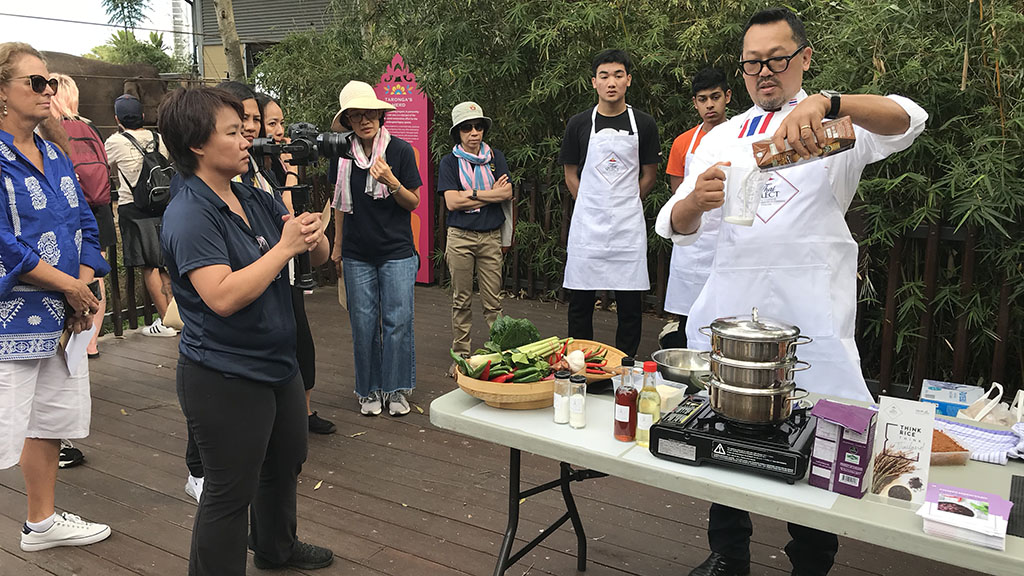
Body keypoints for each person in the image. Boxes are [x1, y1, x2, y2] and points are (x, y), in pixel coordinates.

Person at [655, 8, 927, 576]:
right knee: (725, 433)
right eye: (753, 63)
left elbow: (908, 118)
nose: (765, 72)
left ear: (803, 58)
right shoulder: (720, 138)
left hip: (814, 319)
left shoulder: (838, 128)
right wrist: (690, 203)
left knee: (822, 438)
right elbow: (676, 226)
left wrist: (830, 102)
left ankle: (812, 561)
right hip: (733, 315)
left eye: (777, 59)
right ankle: (728, 555)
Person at [159, 86, 333, 574]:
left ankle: (276, 549)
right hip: (224, 373)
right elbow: (223, 296)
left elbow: (315, 258)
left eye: (246, 129)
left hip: (277, 362)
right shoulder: (190, 212)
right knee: (229, 491)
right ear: (197, 143)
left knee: (285, 462)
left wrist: (312, 239)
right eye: (233, 132)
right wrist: (283, 249)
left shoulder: (252, 196)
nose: (247, 140)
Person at [0, 41, 111, 552]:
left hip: (62, 314)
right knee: (4, 423)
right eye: (35, 82)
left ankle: (40, 523)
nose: (48, 91)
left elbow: (86, 221)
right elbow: (4, 243)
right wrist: (71, 286)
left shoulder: (53, 151)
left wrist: (82, 280)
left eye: (49, 82)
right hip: (12, 318)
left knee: (47, 420)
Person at [559, 49, 660, 358]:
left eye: (618, 75)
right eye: (604, 76)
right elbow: (570, 174)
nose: (611, 82)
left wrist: (624, 204)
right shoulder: (578, 124)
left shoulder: (643, 124)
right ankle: (581, 364)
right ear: (594, 82)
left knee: (630, 304)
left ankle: (624, 363)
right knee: (580, 301)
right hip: (588, 224)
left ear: (628, 80)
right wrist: (592, 203)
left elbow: (649, 175)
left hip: (627, 227)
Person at [329, 80, 421, 417]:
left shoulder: (399, 150)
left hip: (396, 250)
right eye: (356, 116)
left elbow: (412, 202)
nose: (365, 120)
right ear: (349, 121)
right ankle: (368, 390)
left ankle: (396, 389)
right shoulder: (341, 155)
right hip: (356, 252)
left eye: (370, 113)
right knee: (363, 323)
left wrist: (391, 182)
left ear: (381, 115)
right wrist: (337, 246)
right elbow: (339, 203)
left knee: (398, 321)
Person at [256, 92, 336, 435]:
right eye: (271, 123)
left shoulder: (272, 166)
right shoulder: (255, 174)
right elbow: (284, 216)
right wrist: (290, 174)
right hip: (265, 273)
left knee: (301, 338)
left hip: (289, 272)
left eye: (281, 123)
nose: (279, 132)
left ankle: (302, 412)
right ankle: (280, 417)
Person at [659, 67, 732, 349]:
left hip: (727, 233)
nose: (710, 105)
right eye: (702, 99)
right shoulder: (682, 143)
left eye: (715, 97)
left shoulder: (743, 135)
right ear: (694, 103)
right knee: (688, 312)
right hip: (692, 237)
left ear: (727, 96)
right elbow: (679, 192)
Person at [439, 101, 513, 364]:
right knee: (461, 300)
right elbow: (452, 202)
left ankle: (500, 354)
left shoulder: (496, 159)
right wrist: (489, 195)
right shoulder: (449, 162)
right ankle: (461, 355)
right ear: (458, 132)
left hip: (490, 236)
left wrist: (469, 194)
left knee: (494, 301)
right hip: (460, 237)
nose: (474, 133)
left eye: (478, 126)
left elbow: (507, 193)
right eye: (467, 128)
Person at [104, 93, 177, 337]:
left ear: (117, 119)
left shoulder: (116, 141)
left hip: (134, 209)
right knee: (165, 264)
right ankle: (177, 318)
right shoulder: (157, 138)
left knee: (148, 266)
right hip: (162, 204)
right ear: (143, 116)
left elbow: (104, 164)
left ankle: (166, 322)